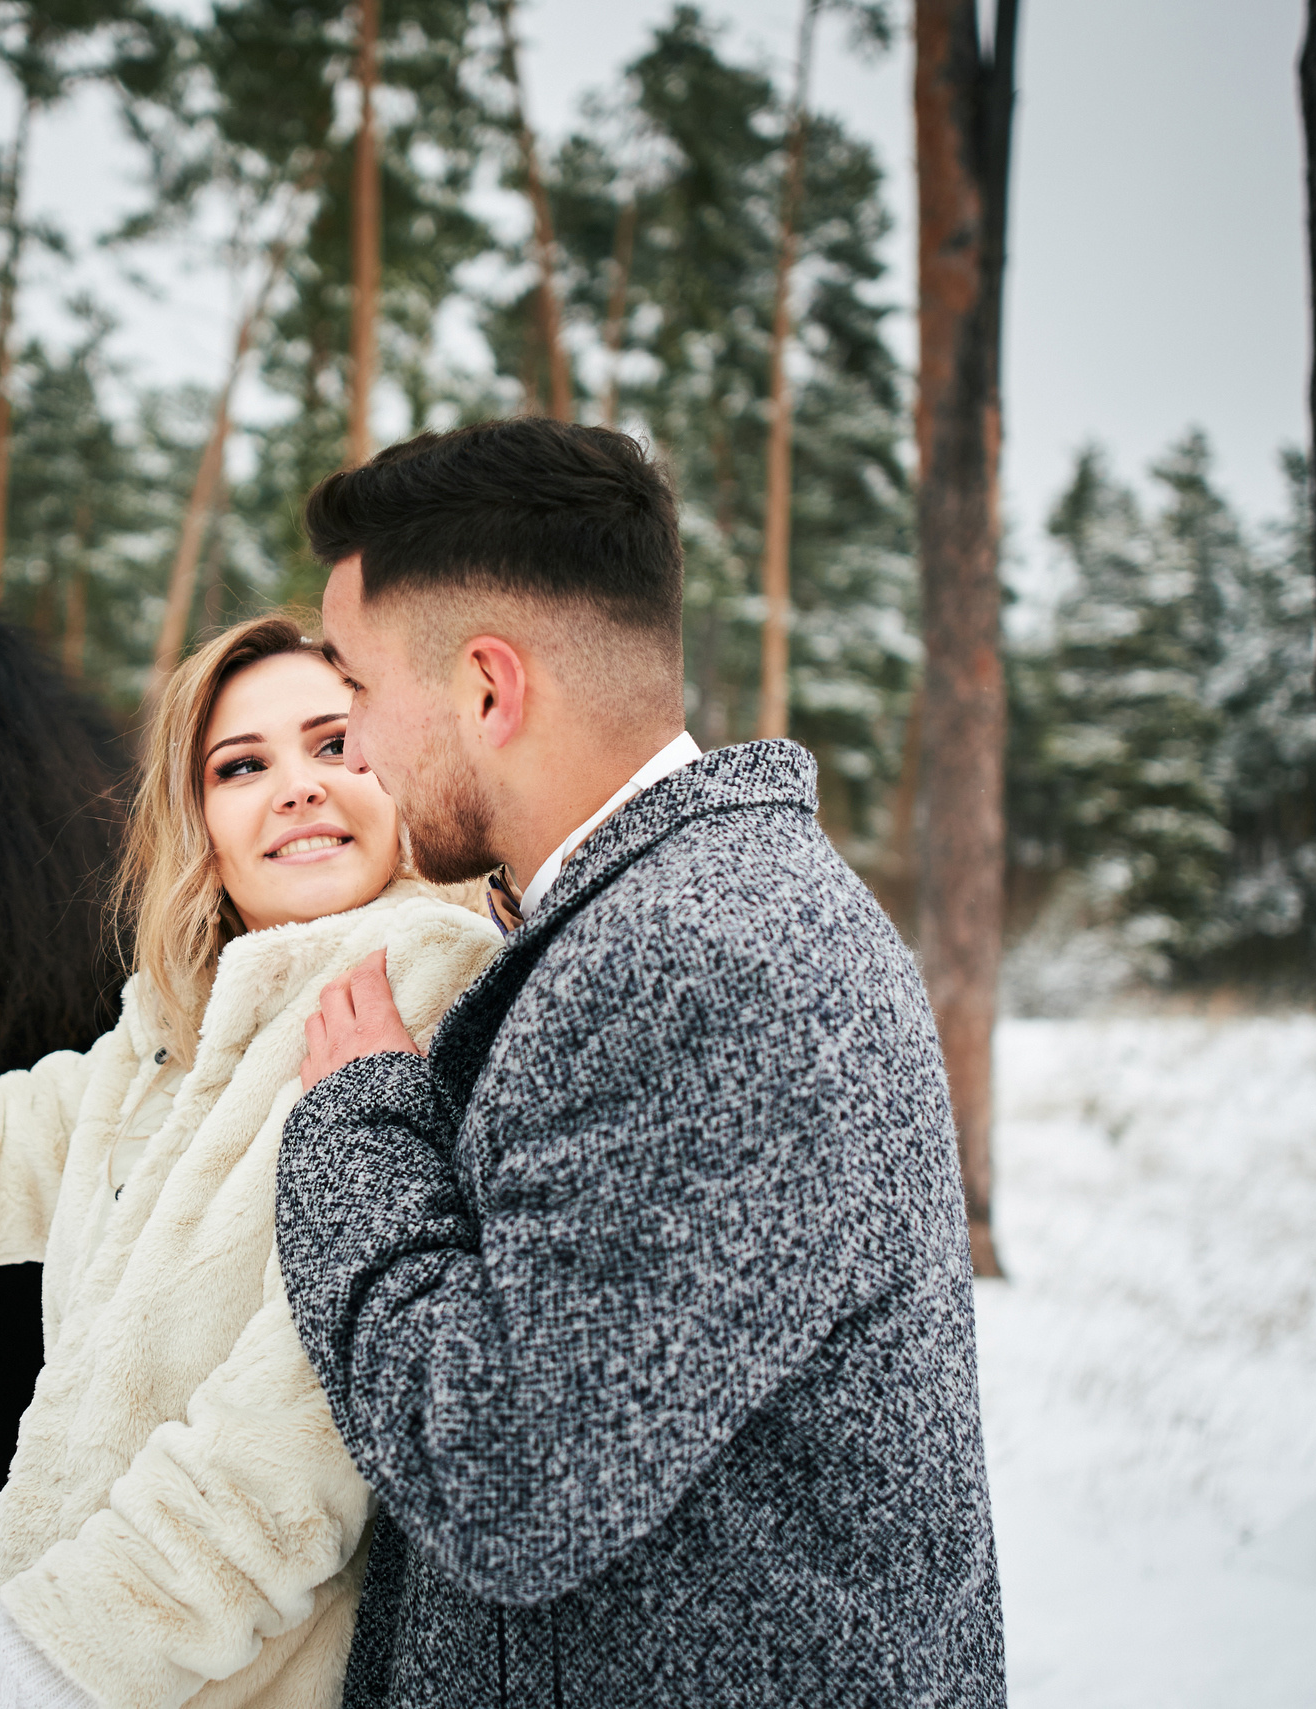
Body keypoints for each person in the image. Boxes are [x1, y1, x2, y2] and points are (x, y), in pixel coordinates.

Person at [273, 419, 1006, 1705]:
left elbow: (507, 1476)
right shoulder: (661, 919)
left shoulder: (696, 962)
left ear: (488, 687)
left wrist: (359, 1128)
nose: (358, 752)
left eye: (358, 693)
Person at [0, 615, 500, 1708]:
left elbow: (291, 1462)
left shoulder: (429, 1006)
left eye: (336, 743)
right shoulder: (166, 1054)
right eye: (242, 764)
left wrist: (22, 1672)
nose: (297, 787)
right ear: (201, 825)